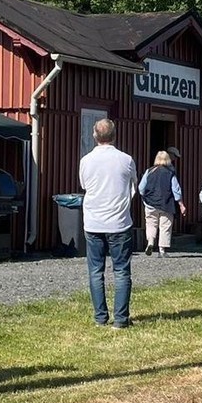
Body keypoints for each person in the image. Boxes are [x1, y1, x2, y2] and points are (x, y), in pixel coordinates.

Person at [80, 118, 138, 328]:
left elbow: (84, 185)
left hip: (93, 221)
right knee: (121, 271)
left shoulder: (86, 160)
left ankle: (100, 317)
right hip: (119, 221)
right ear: (114, 135)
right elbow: (134, 185)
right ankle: (121, 319)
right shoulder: (126, 159)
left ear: (95, 136)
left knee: (96, 271)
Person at [138, 149, 185, 257]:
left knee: (151, 224)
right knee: (165, 226)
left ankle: (150, 242)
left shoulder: (149, 171)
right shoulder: (170, 173)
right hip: (166, 203)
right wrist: (181, 204)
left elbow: (141, 188)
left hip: (150, 203)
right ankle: (162, 250)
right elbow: (176, 190)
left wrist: (146, 198)